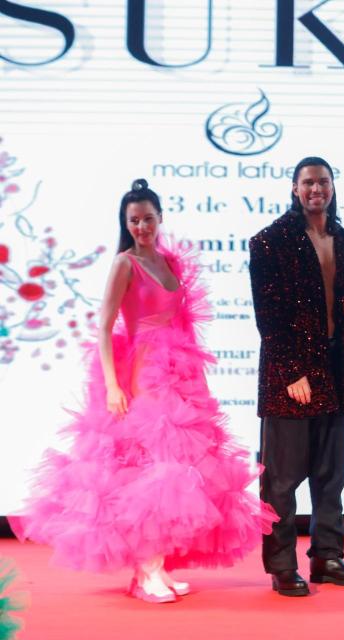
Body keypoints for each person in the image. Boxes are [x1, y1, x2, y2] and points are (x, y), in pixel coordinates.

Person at [14, 179, 276, 603]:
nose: (141, 226)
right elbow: (103, 326)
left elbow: (182, 320)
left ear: (160, 218)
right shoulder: (126, 263)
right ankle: (148, 569)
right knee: (154, 467)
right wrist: (114, 385)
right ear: (126, 223)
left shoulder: (169, 260)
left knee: (179, 466)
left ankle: (153, 568)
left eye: (147, 218)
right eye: (133, 220)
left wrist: (196, 380)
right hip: (144, 372)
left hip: (181, 373)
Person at [248, 156, 344, 597]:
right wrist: (290, 372)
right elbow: (269, 317)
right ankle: (282, 565)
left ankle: (327, 557)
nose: (316, 189)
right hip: (291, 378)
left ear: (332, 187)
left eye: (323, 181)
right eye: (308, 182)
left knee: (330, 474)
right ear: (295, 188)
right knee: (281, 479)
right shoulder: (269, 241)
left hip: (336, 371)